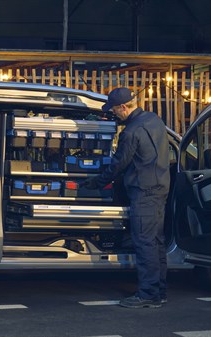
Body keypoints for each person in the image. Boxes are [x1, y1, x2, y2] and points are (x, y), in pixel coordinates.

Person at [81, 87, 171, 308]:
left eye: (114, 110)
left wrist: (96, 183)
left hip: (144, 192)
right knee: (157, 242)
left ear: (123, 107)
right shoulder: (154, 120)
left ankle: (148, 295)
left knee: (145, 243)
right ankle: (159, 291)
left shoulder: (131, 133)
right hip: (160, 189)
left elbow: (118, 164)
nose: (114, 114)